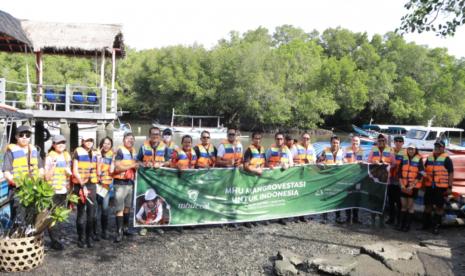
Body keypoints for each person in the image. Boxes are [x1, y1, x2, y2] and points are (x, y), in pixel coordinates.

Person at [2, 125, 44, 225]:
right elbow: (6, 172)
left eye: (27, 135)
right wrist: (18, 183)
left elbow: (41, 169)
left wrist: (37, 181)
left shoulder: (34, 151)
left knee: (31, 215)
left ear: (30, 137)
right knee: (17, 217)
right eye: (21, 135)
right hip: (17, 189)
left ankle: (28, 236)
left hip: (32, 188)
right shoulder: (10, 151)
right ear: (16, 136)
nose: (24, 137)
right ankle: (15, 236)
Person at [71, 134, 100, 248]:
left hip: (92, 184)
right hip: (80, 184)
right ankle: (81, 238)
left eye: (91, 140)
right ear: (82, 141)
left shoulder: (95, 153)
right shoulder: (78, 152)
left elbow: (98, 170)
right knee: (81, 212)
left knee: (91, 213)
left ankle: (89, 237)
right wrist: (82, 185)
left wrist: (99, 159)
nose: (89, 142)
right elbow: (75, 170)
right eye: (87, 140)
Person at [44, 135, 71, 250]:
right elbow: (46, 177)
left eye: (63, 143)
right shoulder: (50, 157)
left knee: (59, 215)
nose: (61, 145)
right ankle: (54, 241)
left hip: (63, 191)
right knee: (52, 216)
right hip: (53, 191)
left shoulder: (66, 156)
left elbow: (69, 175)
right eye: (58, 143)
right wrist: (54, 165)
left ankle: (57, 237)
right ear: (53, 145)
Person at [422, 139, 453, 235]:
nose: (437, 148)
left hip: (441, 187)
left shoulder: (447, 159)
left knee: (439, 207)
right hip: (429, 186)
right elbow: (424, 171)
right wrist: (423, 184)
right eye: (436, 146)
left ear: (443, 148)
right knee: (427, 206)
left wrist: (449, 187)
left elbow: (451, 173)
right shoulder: (429, 158)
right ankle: (426, 225)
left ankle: (436, 227)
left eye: (439, 146)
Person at [113, 132, 139, 243]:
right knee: (119, 208)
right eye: (128, 139)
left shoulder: (134, 151)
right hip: (120, 183)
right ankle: (119, 232)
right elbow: (117, 167)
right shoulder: (119, 150)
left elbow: (136, 165)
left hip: (130, 183)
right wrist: (132, 165)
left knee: (128, 207)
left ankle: (125, 229)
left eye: (132, 139)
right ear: (124, 140)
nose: (130, 141)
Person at [367, 134, 395, 227]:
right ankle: (373, 219)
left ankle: (381, 220)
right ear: (377, 141)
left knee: (383, 200)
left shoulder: (390, 150)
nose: (381, 142)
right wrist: (373, 162)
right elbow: (368, 161)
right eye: (379, 140)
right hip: (374, 178)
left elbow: (394, 164)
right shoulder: (373, 149)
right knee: (373, 199)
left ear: (386, 141)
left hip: (385, 179)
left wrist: (387, 164)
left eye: (383, 140)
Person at [398, 144, 424, 232]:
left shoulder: (419, 159)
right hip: (403, 185)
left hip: (413, 187)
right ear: (407, 150)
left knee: (410, 206)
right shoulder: (404, 158)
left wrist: (412, 186)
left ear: (415, 150)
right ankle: (401, 225)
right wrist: (401, 184)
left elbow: (421, 174)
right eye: (409, 149)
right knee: (403, 206)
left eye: (412, 149)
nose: (410, 151)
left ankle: (407, 226)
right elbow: (400, 173)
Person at [318, 135, 344, 223]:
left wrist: (342, 162)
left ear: (339, 143)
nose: (335, 144)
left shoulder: (342, 151)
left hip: (338, 178)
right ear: (330, 143)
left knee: (337, 196)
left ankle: (338, 217)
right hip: (327, 177)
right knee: (325, 196)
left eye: (337, 143)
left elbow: (347, 161)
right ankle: (324, 217)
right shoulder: (325, 151)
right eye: (333, 142)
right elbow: (318, 161)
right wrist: (321, 163)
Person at [342, 136, 364, 224]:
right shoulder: (346, 149)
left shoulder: (361, 151)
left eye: (357, 141)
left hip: (358, 177)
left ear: (359, 142)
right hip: (348, 176)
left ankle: (355, 218)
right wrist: (346, 161)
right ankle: (348, 217)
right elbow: (342, 159)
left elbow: (363, 162)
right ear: (351, 141)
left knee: (356, 196)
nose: (355, 142)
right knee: (348, 196)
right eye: (354, 141)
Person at [96, 137, 114, 240]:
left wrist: (114, 159)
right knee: (94, 211)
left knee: (105, 209)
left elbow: (112, 170)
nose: (106, 145)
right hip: (96, 184)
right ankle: (94, 231)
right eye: (104, 143)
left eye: (108, 144)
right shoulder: (96, 153)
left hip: (106, 186)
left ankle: (104, 231)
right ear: (101, 144)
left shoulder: (112, 155)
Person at [386, 136, 405, 227]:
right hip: (390, 179)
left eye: (400, 141)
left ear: (403, 143)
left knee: (399, 201)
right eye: (396, 141)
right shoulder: (390, 151)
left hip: (399, 180)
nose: (398, 143)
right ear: (394, 142)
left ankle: (399, 220)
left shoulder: (405, 153)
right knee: (391, 201)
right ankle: (391, 218)